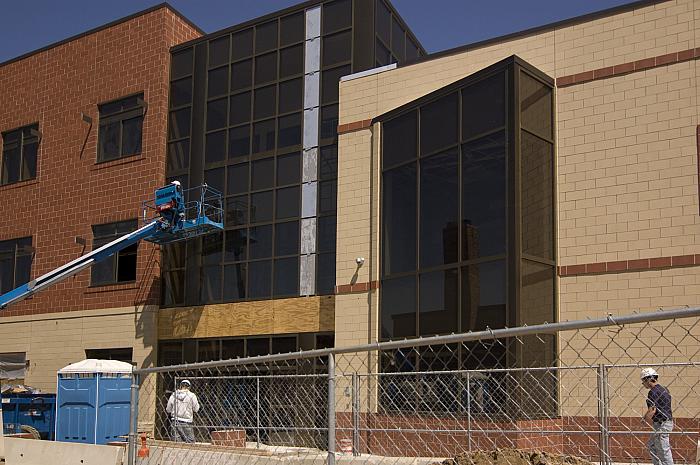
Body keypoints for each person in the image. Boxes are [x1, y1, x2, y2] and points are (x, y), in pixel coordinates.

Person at [641, 367, 674, 465]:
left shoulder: (653, 391)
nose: (643, 384)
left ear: (648, 379)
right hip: (665, 423)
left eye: (643, 381)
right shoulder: (664, 389)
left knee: (664, 450)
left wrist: (644, 420)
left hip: (662, 424)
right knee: (652, 446)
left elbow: (652, 410)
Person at [166, 379, 200, 443]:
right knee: (190, 442)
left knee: (176, 443)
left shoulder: (173, 395)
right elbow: (196, 409)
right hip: (187, 421)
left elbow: (168, 409)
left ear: (180, 386)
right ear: (189, 387)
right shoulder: (192, 396)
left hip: (175, 421)